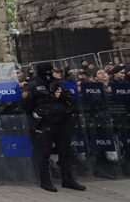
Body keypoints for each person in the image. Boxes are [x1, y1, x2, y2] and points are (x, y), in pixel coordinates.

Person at [22, 63, 85, 192]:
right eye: (47, 71)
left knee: (65, 152)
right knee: (44, 153)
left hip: (61, 121)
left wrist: (62, 97)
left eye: (51, 71)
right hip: (45, 123)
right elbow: (26, 103)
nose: (50, 73)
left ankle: (68, 179)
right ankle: (45, 181)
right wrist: (36, 115)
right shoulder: (33, 85)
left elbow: (71, 98)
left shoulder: (57, 83)